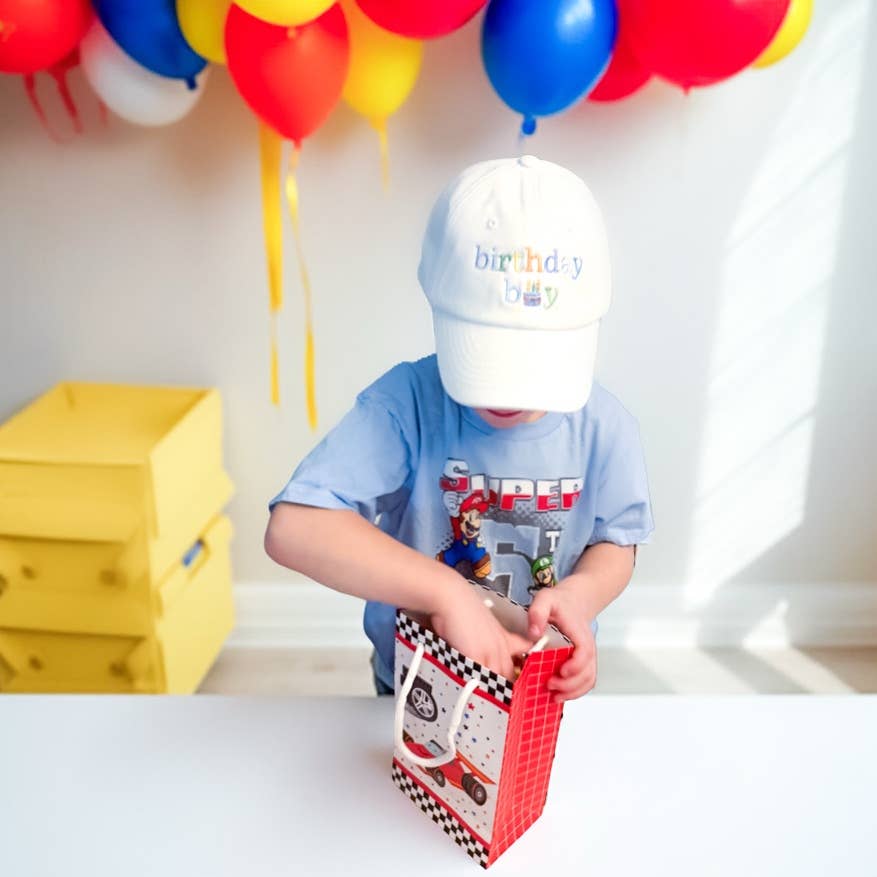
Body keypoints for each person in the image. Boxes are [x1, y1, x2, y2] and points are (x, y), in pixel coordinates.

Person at [265, 155, 654, 704]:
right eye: (493, 360)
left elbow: (616, 542)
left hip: (539, 685)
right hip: (416, 682)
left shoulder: (605, 427)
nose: (511, 393)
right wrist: (449, 594)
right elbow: (293, 529)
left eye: (536, 363)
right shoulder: (409, 405)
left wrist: (581, 597)